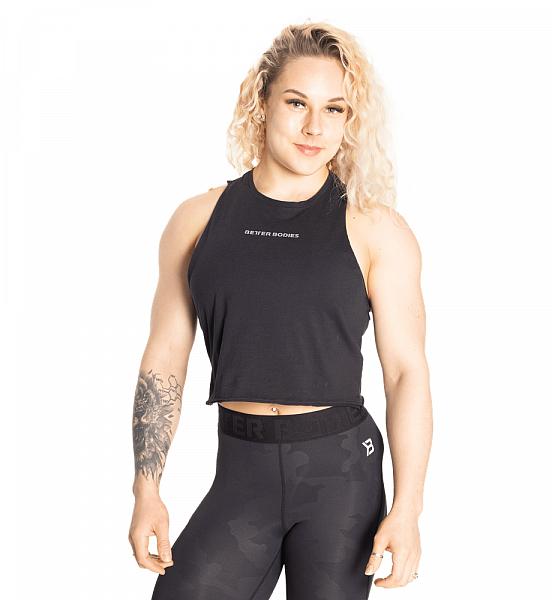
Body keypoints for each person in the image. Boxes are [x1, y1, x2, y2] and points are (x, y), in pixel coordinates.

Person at [128, 21, 433, 600]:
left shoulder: (375, 229)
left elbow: (405, 373)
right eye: (297, 103)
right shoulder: (197, 221)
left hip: (340, 477)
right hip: (240, 472)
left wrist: (408, 507)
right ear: (263, 102)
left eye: (334, 109)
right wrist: (147, 489)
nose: (315, 127)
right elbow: (165, 358)